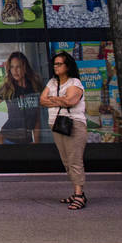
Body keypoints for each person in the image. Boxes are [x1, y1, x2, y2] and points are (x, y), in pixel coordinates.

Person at [40, 50, 87, 209]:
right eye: (55, 64)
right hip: (56, 124)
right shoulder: (52, 82)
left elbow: (70, 101)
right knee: (66, 160)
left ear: (68, 66)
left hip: (73, 124)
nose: (56, 67)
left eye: (59, 64)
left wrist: (53, 99)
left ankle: (79, 194)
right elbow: (42, 100)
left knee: (75, 160)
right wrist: (61, 100)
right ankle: (76, 191)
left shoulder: (75, 83)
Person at [0, 51, 43, 144]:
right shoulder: (8, 88)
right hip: (8, 140)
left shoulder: (34, 86)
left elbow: (37, 118)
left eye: (18, 67)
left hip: (28, 141)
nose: (14, 71)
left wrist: (36, 142)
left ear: (25, 67)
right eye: (12, 67)